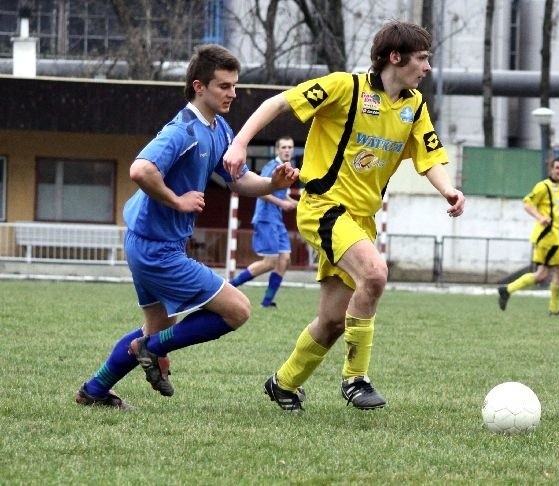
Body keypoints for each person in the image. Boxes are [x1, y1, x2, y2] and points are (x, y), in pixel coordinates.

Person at [222, 21, 465, 411]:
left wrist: (448, 188)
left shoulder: (414, 105)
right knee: (375, 274)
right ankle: (355, 379)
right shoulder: (344, 87)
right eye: (422, 58)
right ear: (395, 57)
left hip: (362, 220)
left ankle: (283, 383)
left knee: (334, 321)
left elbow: (430, 156)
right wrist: (239, 143)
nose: (428, 67)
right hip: (323, 207)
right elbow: (277, 103)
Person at [75, 44, 298, 409]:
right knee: (238, 310)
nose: (233, 93)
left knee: (157, 328)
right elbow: (140, 170)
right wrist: (177, 201)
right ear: (199, 86)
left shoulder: (218, 128)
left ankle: (95, 390)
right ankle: (149, 350)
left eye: (234, 85)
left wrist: (273, 185)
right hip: (157, 248)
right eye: (224, 86)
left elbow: (238, 180)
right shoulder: (183, 130)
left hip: (148, 241)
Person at [497, 157, 559, 316]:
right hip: (546, 236)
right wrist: (540, 218)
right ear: (551, 169)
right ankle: (554, 309)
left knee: (543, 275)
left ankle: (507, 290)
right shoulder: (543, 186)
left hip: (553, 235)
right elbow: (527, 204)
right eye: (557, 168)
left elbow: (557, 210)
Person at [229, 136, 299, 308]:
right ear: (277, 150)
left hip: (277, 220)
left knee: (284, 260)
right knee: (270, 262)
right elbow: (261, 191)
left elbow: (279, 192)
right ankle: (229, 287)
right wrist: (283, 203)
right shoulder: (272, 167)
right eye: (283, 147)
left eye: (290, 147)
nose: (287, 150)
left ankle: (267, 302)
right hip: (266, 218)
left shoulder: (284, 168)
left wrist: (294, 202)